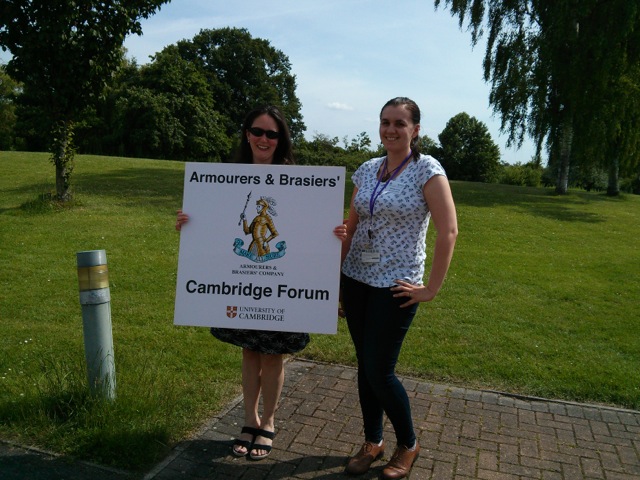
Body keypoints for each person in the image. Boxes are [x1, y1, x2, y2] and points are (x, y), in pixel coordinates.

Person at [176, 105, 348, 461]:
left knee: (273, 356)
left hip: (283, 286)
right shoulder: (225, 180)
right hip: (241, 284)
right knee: (249, 352)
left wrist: (333, 232)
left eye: (272, 134)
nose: (264, 139)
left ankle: (267, 422)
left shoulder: (301, 182)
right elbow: (223, 227)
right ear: (247, 134)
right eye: (258, 131)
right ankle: (249, 419)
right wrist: (190, 222)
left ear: (281, 139)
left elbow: (299, 230)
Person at [335, 97, 458, 479]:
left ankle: (408, 443)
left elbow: (448, 230)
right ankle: (373, 441)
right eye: (385, 121)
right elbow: (351, 227)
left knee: (380, 370)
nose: (390, 129)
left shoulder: (427, 170)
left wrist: (430, 288)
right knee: (364, 367)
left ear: (415, 129)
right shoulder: (368, 169)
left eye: (399, 123)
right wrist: (334, 283)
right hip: (356, 278)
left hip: (396, 283)